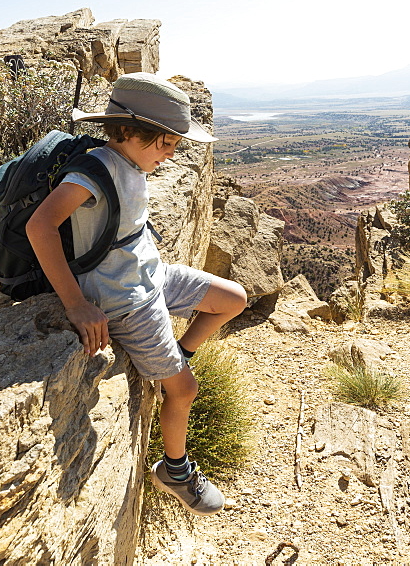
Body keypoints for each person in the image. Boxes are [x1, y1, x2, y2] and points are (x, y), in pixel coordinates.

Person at [26, 72, 247, 516]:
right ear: (128, 131)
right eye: (164, 144)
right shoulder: (96, 170)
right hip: (124, 300)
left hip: (149, 277)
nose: (169, 155)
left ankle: (177, 355)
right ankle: (174, 470)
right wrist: (75, 304)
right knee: (184, 390)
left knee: (233, 298)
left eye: (174, 146)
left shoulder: (132, 164)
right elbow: (40, 226)